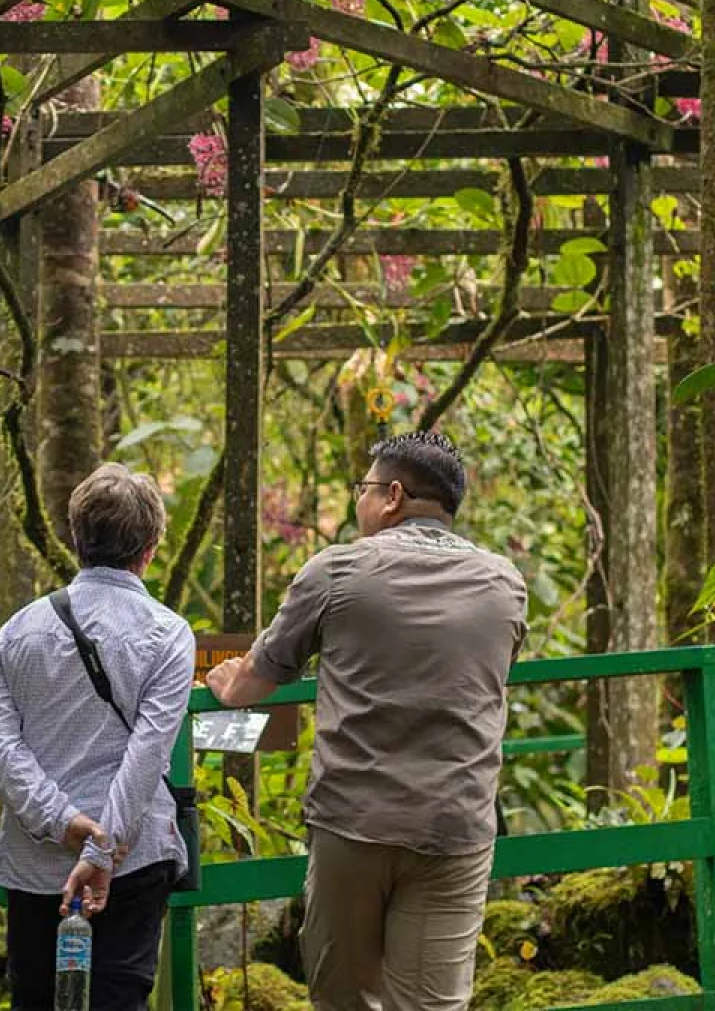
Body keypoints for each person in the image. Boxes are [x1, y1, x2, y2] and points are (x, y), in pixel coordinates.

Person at [207, 431, 527, 1011]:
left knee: (344, 999)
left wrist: (221, 680)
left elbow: (255, 680)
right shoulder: (506, 583)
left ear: (392, 496)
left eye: (364, 489)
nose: (359, 502)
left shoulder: (337, 571)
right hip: (454, 827)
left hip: (353, 823)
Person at [0, 463, 195, 1011]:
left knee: (34, 997)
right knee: (119, 997)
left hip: (38, 862)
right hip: (133, 857)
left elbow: (1, 750)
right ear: (149, 548)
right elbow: (149, 751)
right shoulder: (167, 634)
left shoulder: (16, 633)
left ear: (76, 538)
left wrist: (64, 822)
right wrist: (103, 847)